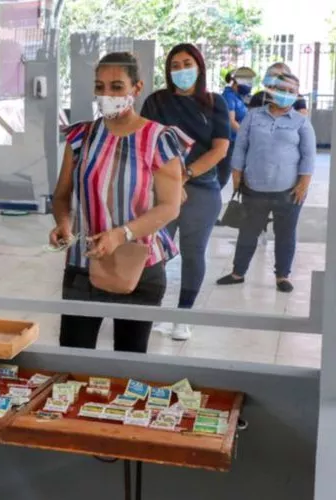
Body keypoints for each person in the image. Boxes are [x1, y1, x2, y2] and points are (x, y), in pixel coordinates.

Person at [51, 52, 185, 354]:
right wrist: (63, 223)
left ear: (137, 88)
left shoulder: (158, 139)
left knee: (129, 359)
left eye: (116, 87)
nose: (107, 95)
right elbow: (61, 195)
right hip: (84, 263)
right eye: (100, 87)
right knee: (74, 356)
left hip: (139, 264)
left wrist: (121, 234)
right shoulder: (81, 137)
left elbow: (169, 206)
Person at [141, 43, 231, 341]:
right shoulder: (156, 102)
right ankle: (153, 312)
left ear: (199, 67)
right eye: (175, 66)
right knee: (154, 253)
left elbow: (220, 149)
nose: (181, 71)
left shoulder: (215, 103)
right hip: (160, 191)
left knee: (193, 253)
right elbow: (145, 143)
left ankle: (183, 316)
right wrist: (166, 181)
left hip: (201, 190)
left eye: (187, 64)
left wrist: (185, 175)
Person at [217, 73, 316, 293]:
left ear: (297, 94)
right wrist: (236, 175)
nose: (286, 94)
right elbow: (240, 147)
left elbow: (309, 156)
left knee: (285, 234)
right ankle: (238, 273)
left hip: (289, 191)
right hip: (254, 188)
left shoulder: (301, 122)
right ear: (271, 90)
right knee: (248, 232)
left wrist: (303, 184)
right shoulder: (253, 116)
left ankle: (282, 276)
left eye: (291, 91)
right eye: (281, 90)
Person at [219, 66, 255, 189]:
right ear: (236, 81)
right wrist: (247, 135)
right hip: (229, 141)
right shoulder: (228, 96)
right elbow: (231, 121)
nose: (249, 85)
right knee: (222, 177)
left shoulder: (239, 96)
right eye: (246, 81)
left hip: (237, 140)